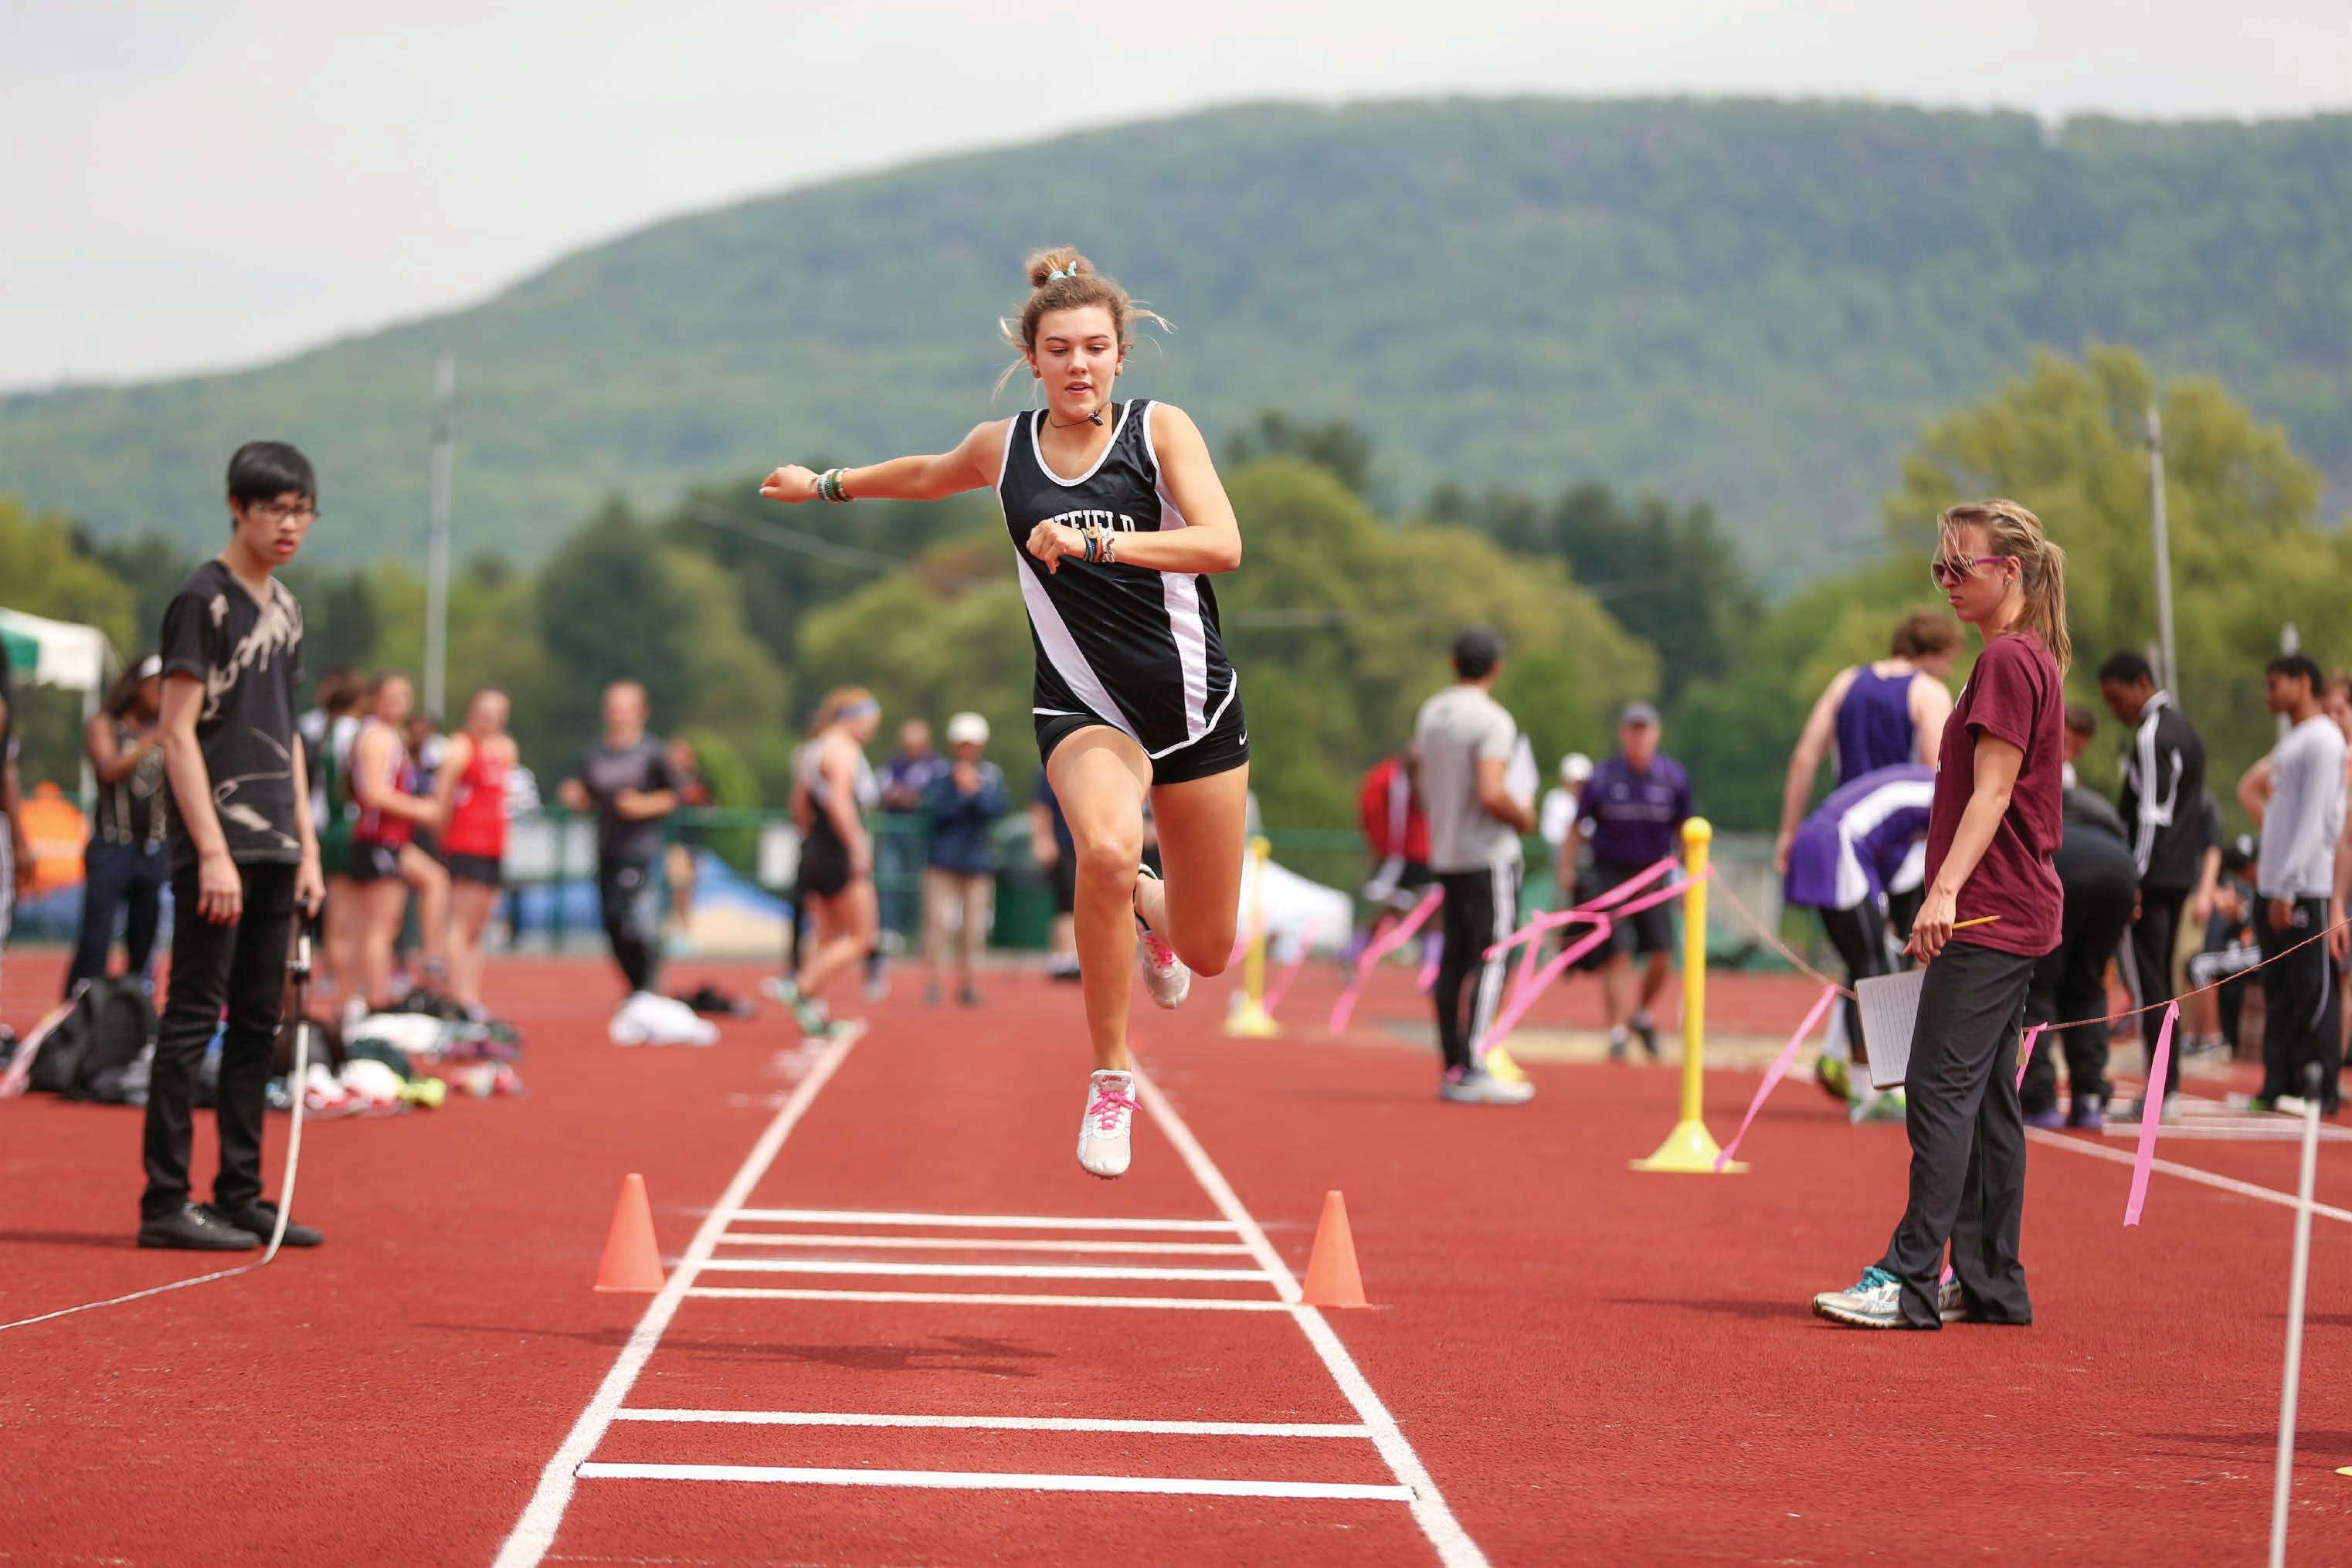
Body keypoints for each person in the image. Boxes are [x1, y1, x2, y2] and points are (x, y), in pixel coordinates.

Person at [760, 246, 1247, 1179]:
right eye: (1059, 350)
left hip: (1195, 708)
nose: (1079, 365)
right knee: (1103, 850)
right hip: (1083, 705)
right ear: (1032, 360)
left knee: (1210, 947)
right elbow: (925, 473)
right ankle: (1112, 1076)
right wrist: (824, 483)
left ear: (1121, 354)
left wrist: (1098, 542)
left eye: (1095, 348)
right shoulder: (1006, 447)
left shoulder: (1160, 431)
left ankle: (1154, 912)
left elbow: (1220, 543)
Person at [1813, 498, 2067, 1330]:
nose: (1947, 581)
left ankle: (1911, 1275)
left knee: (1940, 1087)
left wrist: (1945, 890)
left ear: (2010, 571)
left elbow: (1992, 790)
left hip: (1989, 910)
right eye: (1939, 568)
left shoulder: (2007, 662)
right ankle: (1989, 1280)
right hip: (2009, 906)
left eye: (1962, 566)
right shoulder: (2022, 657)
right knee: (1986, 1101)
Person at [141, 440, 326, 1251]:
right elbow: (176, 733)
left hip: (278, 843)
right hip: (217, 842)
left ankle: (240, 1192)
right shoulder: (201, 599)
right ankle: (164, 1201)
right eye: (274, 510)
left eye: (302, 511)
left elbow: (287, 733)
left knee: (259, 1022)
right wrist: (212, 851)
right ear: (237, 509)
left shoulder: (286, 607)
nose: (289, 526)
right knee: (192, 1019)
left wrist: (307, 845)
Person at [1411, 629, 1538, 1105]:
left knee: (1454, 961)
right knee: (1494, 954)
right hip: (1488, 855)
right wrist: (1523, 816)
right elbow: (1491, 792)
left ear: (1453, 662)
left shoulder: (1432, 713)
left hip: (1446, 851)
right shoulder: (1493, 720)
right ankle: (1477, 1063)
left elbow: (1421, 783)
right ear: (1497, 667)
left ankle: (1454, 1065)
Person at [1780, 763, 1934, 1119]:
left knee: (1864, 968)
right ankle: (1878, 1090)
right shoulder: (1949, 795)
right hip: (1839, 844)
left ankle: (1866, 1087)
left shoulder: (1928, 783)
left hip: (1824, 838)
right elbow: (1914, 870)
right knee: (1876, 970)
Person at [2096, 650, 2208, 1120]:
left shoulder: (2151, 733)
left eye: (2117, 698)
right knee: (2163, 982)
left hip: (2152, 877)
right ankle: (2168, 1087)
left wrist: (2134, 879)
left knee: (2148, 987)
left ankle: (2160, 1091)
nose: (2115, 710)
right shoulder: (2187, 730)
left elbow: (2152, 816)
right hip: (2179, 874)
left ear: (2142, 683)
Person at [1773, 610, 1960, 877]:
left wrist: (1789, 833)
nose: (1948, 670)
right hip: (1904, 848)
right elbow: (1937, 774)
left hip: (1847, 837)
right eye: (1948, 660)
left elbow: (1804, 759)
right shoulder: (1929, 692)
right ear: (1933, 652)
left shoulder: (1845, 681)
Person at [558, 680, 686, 1036]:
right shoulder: (595, 753)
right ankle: (636, 989)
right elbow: (587, 797)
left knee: (629, 917)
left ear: (641, 712)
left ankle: (648, 986)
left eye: (625, 707)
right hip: (607, 848)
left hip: (640, 850)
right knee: (611, 923)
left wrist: (644, 805)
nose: (618, 714)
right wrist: (576, 797)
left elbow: (676, 796)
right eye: (613, 707)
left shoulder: (653, 753)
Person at [2248, 653, 2347, 1116]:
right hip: (2274, 886)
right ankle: (2279, 1081)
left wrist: (2289, 885)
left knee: (2312, 988)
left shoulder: (2325, 739)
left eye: (2275, 685)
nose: (2268, 695)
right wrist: (2271, 885)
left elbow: (2315, 820)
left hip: (2305, 887)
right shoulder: (2293, 741)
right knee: (2279, 989)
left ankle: (2318, 1084)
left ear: (2303, 682)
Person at [1569, 702, 1692, 1061]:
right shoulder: (1603, 778)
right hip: (1611, 876)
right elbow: (1576, 826)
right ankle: (1617, 1031)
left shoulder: (1673, 778)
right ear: (1623, 734)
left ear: (1656, 734)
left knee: (1662, 954)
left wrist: (1685, 879)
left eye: (1645, 731)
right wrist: (1568, 869)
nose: (1639, 739)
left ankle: (1642, 1014)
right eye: (1633, 731)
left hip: (1654, 876)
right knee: (1618, 954)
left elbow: (1686, 831)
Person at [2018, 776, 2137, 1132]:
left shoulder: (2030, 794)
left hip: (2063, 864)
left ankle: (2039, 1100)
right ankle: (2089, 1099)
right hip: (2119, 871)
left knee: (2037, 985)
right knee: (2087, 986)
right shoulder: (2094, 802)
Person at [771, 688, 882, 1038]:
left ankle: (814, 1010)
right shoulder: (841, 748)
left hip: (815, 846)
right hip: (837, 849)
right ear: (853, 718)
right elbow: (838, 801)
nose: (873, 730)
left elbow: (799, 808)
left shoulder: (811, 750)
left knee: (828, 935)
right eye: (871, 722)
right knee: (863, 937)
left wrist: (815, 841)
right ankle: (802, 987)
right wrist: (858, 847)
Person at [345, 674, 448, 1012]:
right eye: (391, 697)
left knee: (434, 881)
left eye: (404, 697)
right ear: (374, 699)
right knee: (381, 925)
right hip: (379, 839)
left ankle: (430, 957)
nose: (398, 704)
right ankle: (376, 1000)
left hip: (391, 839)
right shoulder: (377, 737)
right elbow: (374, 793)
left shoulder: (390, 735)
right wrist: (423, 810)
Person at [66, 656, 170, 993]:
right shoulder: (106, 725)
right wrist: (148, 742)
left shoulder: (169, 732)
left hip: (152, 849)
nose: (163, 693)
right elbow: (109, 768)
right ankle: (81, 1003)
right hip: (112, 846)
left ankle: (135, 1004)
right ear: (138, 686)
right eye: (157, 685)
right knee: (96, 934)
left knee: (145, 936)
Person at [432, 687, 516, 1022]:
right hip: (465, 842)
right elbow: (442, 800)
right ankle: (458, 995)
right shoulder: (460, 747)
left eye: (497, 713)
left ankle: (472, 995)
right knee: (462, 921)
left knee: (480, 924)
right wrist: (444, 839)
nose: (490, 719)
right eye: (485, 712)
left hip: (493, 845)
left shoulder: (506, 748)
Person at [921, 711, 1008, 1006]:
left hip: (977, 861)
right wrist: (961, 793)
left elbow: (996, 809)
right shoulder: (939, 775)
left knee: (973, 928)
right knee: (938, 924)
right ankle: (933, 982)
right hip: (942, 860)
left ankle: (968, 982)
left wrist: (973, 791)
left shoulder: (992, 776)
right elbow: (936, 811)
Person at [876, 718, 947, 981]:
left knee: (922, 887)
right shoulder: (893, 764)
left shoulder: (937, 766)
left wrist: (913, 798)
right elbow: (881, 791)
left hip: (924, 836)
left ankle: (922, 937)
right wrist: (902, 796)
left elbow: (934, 797)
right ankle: (890, 933)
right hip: (894, 832)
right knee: (890, 882)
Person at [1030, 769, 1081, 981]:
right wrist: (1042, 838)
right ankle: (1064, 955)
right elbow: (1041, 806)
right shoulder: (1050, 766)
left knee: (1083, 901)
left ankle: (1078, 955)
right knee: (1066, 901)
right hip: (1064, 844)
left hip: (1088, 844)